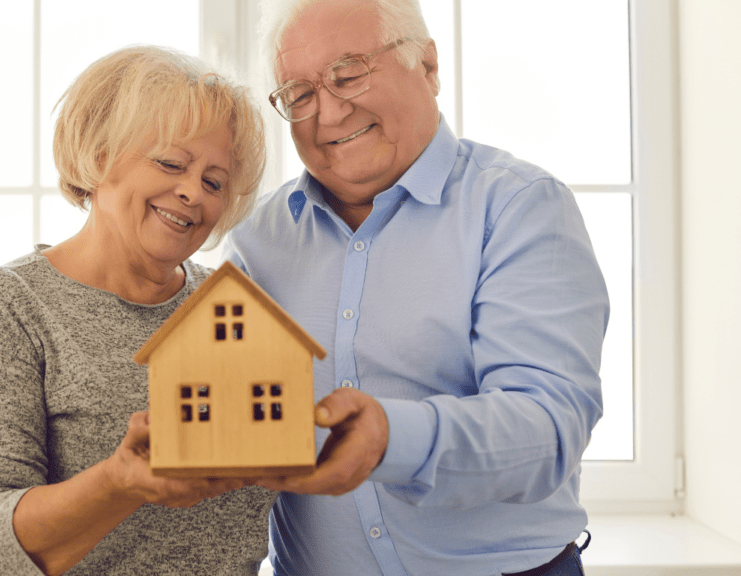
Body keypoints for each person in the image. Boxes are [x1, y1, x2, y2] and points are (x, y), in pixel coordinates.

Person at [223, 1, 609, 575]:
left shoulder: (517, 207)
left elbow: (547, 426)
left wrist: (391, 440)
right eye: (299, 94)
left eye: (348, 73)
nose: (328, 111)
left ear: (427, 65)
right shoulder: (257, 239)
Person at [0, 45, 273, 576]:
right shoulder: (7, 305)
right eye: (171, 163)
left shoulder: (230, 309)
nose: (190, 193)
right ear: (100, 153)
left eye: (213, 182)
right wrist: (119, 482)